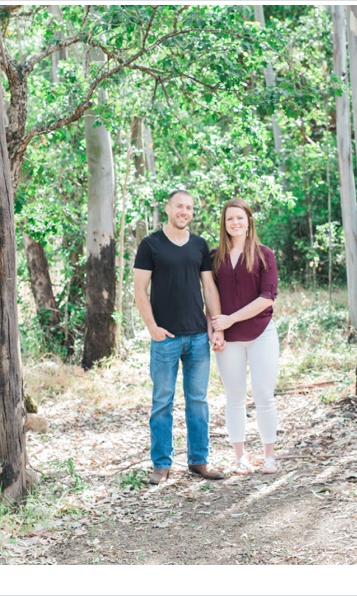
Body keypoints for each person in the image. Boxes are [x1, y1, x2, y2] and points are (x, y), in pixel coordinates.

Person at [134, 190, 227, 485]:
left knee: (198, 401)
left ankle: (198, 461)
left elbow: (209, 289)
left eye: (189, 208)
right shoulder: (151, 245)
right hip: (166, 338)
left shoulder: (199, 245)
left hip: (198, 336)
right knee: (162, 401)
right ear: (168, 208)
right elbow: (139, 290)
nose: (184, 211)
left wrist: (217, 326)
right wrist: (153, 329)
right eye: (179, 206)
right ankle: (161, 464)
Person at [210, 198, 280, 475]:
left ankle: (269, 456)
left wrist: (231, 318)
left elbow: (267, 297)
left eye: (239, 218)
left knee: (264, 395)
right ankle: (240, 457)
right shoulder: (215, 258)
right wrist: (216, 330)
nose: (235, 223)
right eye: (229, 219)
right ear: (224, 224)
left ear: (249, 221)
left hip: (261, 332)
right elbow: (210, 299)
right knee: (234, 397)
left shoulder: (264, 254)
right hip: (229, 339)